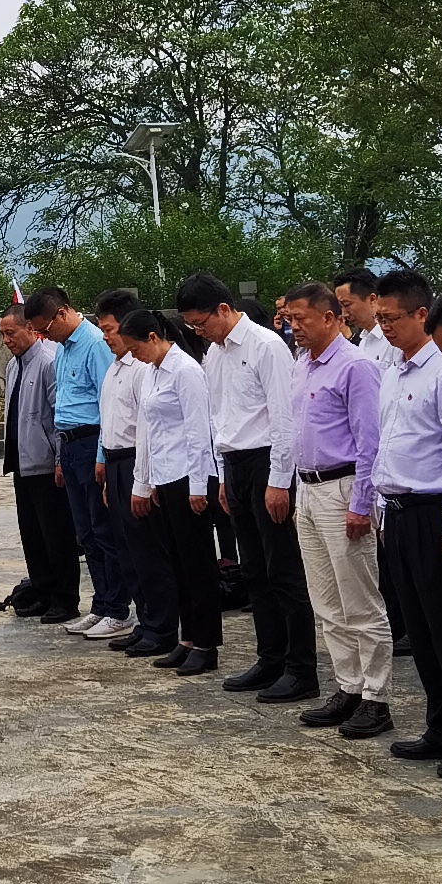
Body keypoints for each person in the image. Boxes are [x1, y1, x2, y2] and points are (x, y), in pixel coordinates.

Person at [351, 270, 442, 761]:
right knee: (419, 632)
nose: (386, 327)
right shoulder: (391, 372)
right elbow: (384, 447)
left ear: (422, 314)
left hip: (435, 511)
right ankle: (439, 725)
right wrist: (379, 505)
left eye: (392, 318)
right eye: (379, 319)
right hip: (397, 512)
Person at [178, 274, 306, 700]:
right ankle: (269, 657)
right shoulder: (213, 355)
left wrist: (279, 480)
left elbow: (284, 418)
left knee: (282, 567)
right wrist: (219, 475)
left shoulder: (266, 347)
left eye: (201, 322)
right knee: (252, 568)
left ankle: (300, 666)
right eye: (192, 326)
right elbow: (218, 420)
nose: (199, 331)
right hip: (233, 465)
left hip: (267, 461)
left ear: (224, 309)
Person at [276, 280, 386, 718]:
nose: (294, 327)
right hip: (308, 487)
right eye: (290, 319)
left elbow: (369, 441)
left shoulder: (355, 366)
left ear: (329, 317)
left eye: (301, 319)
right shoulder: (303, 364)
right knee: (326, 599)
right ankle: (349, 685)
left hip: (343, 487)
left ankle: (376, 696)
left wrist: (362, 503)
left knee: (359, 597)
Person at [122, 310, 226, 677]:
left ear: (154, 337)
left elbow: (201, 431)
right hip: (165, 477)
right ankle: (187, 638)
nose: (134, 356)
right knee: (178, 563)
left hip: (189, 475)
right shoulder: (151, 373)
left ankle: (207, 642)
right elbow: (148, 431)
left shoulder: (185, 371)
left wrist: (199, 485)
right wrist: (145, 480)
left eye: (136, 348)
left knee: (198, 563)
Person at [30, 287, 127, 640]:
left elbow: (109, 403)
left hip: (92, 443)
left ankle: (117, 608)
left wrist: (102, 454)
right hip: (69, 445)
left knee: (103, 531)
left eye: (45, 328)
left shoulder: (95, 343)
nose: (43, 336)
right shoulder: (62, 350)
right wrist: (60, 456)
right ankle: (101, 604)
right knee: (84, 533)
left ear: (63, 313)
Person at [0, 304, 79, 623]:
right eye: (2, 334)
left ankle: (65, 598)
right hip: (21, 463)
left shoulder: (49, 363)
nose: (6, 340)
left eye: (11, 333)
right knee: (32, 533)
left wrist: (59, 460)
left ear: (30, 329)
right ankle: (42, 590)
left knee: (57, 535)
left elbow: (58, 418)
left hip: (45, 465)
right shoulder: (14, 366)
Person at [93, 291, 173, 657]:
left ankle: (162, 626)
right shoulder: (114, 368)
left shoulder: (143, 369)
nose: (106, 336)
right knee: (127, 550)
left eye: (109, 329)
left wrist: (146, 479)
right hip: (115, 462)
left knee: (148, 550)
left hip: (137, 462)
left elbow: (148, 428)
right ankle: (145, 621)